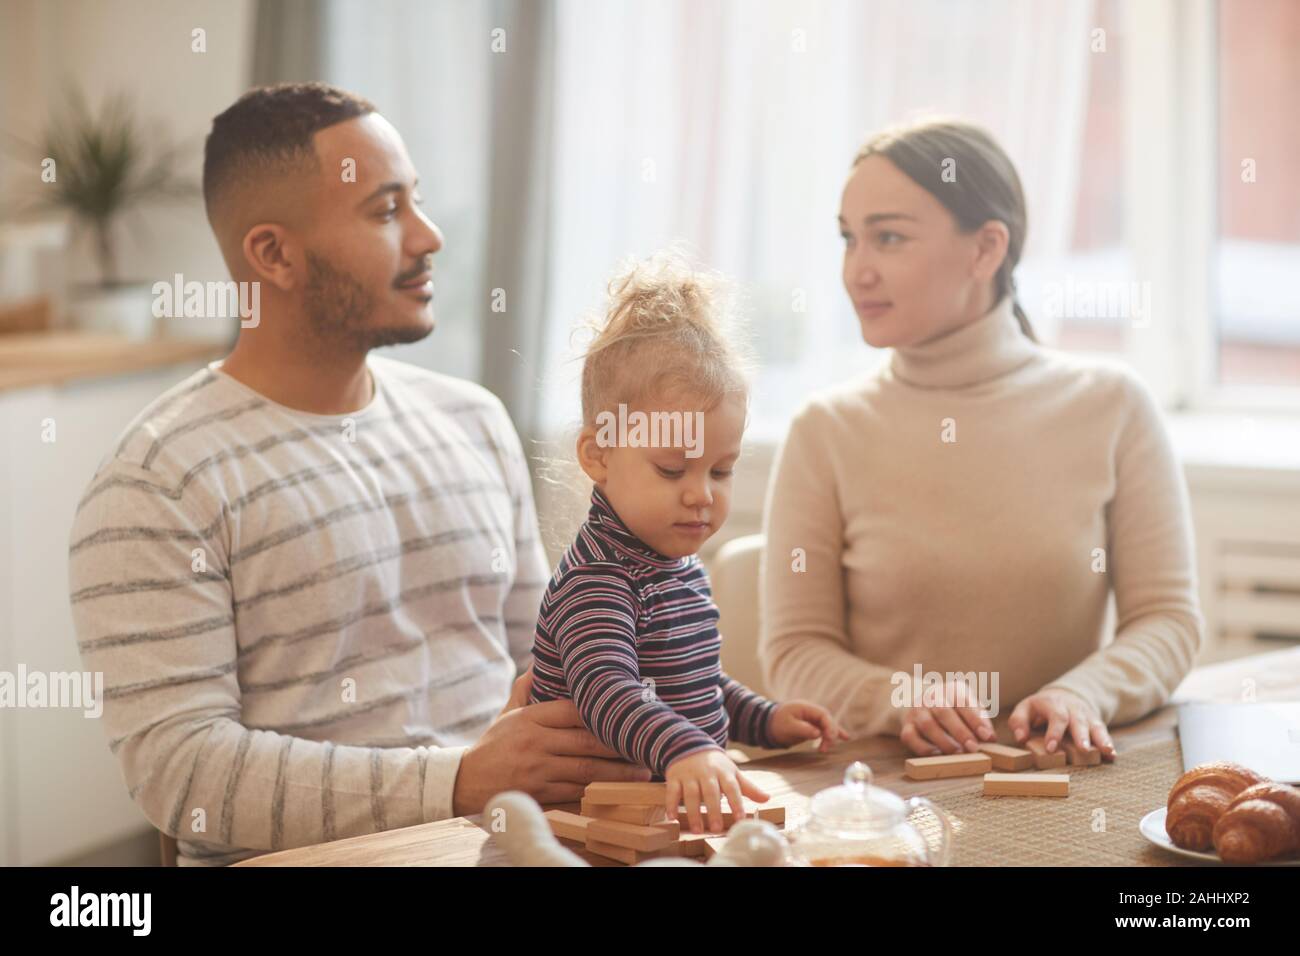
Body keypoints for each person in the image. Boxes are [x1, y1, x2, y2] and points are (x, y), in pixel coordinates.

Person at [66, 82, 649, 866]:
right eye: (385, 211)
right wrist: (461, 781)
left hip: (521, 840)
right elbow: (185, 774)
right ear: (273, 255)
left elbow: (540, 660)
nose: (429, 236)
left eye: (419, 202)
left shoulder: (472, 420)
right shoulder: (158, 483)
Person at [760, 118, 1202, 762]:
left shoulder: (1113, 406)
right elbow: (795, 651)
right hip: (884, 794)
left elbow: (1169, 620)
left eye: (888, 238)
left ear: (986, 250)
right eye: (849, 239)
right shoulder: (824, 430)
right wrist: (903, 697)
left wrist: (1085, 694)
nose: (857, 270)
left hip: (1060, 771)